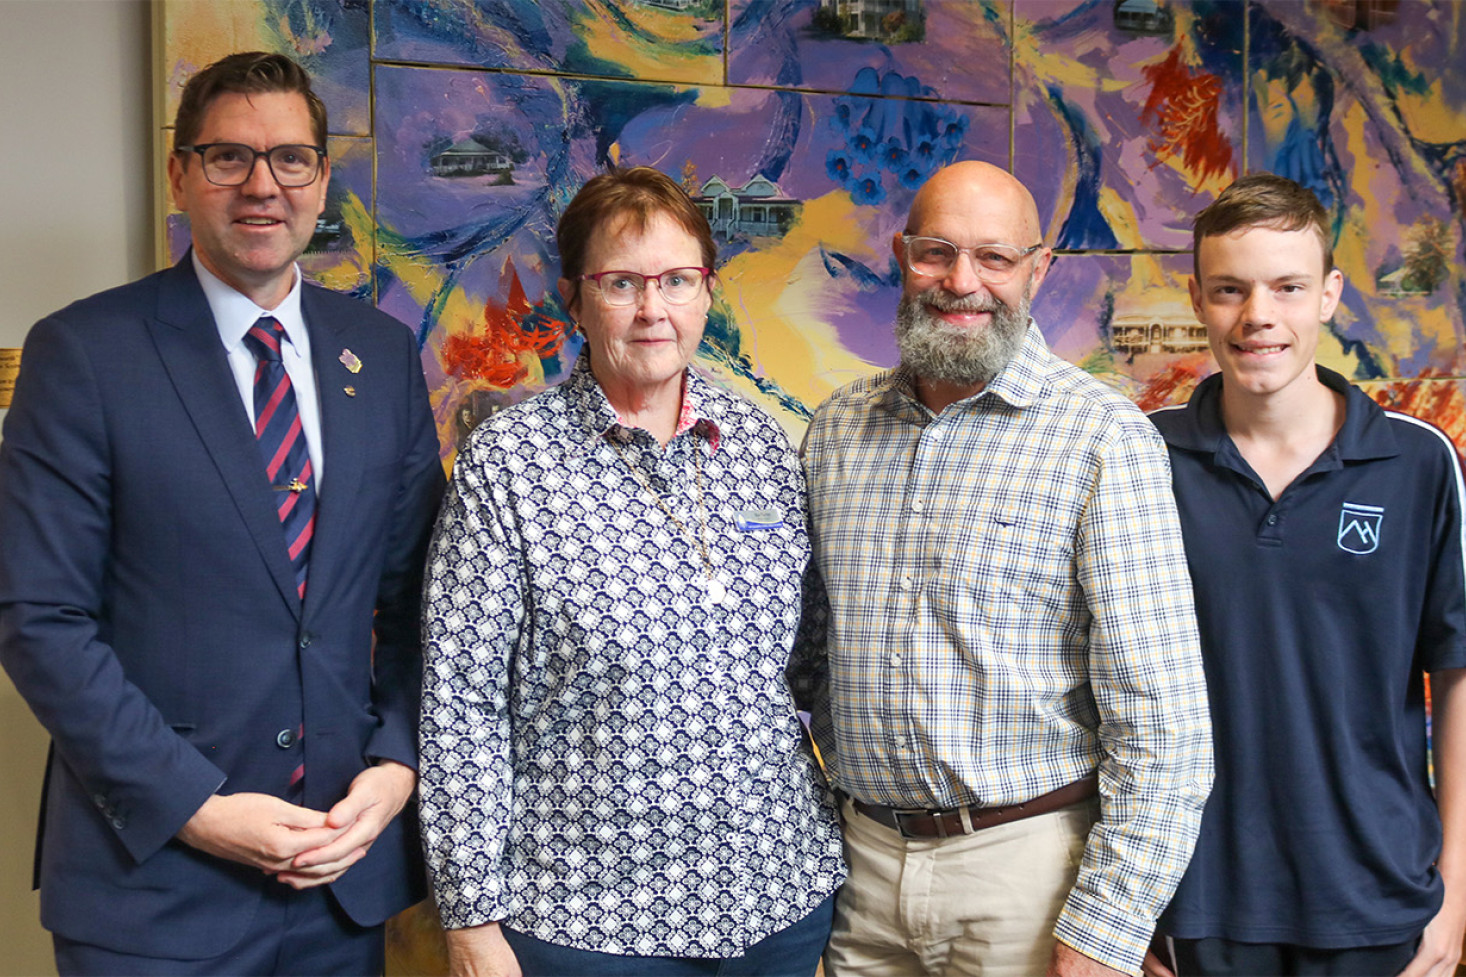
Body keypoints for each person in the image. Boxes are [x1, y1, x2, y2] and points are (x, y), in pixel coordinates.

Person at [0, 52, 445, 974]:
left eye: (290, 159)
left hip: (341, 875)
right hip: (154, 886)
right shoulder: (84, 353)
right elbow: (39, 617)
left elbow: (420, 602)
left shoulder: (384, 355)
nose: (262, 186)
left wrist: (396, 765)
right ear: (180, 174)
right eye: (227, 157)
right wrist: (195, 805)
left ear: (322, 179)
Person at [418, 165, 845, 977]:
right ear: (575, 301)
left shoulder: (760, 447)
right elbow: (459, 704)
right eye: (622, 282)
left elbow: (810, 664)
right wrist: (470, 918)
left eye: (677, 280)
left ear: (706, 294)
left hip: (778, 903)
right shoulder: (509, 466)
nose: (654, 309)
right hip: (591, 923)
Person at [794, 159, 1214, 977]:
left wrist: (1106, 927)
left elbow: (1163, 722)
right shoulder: (837, 429)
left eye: (995, 257)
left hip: (1028, 879)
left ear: (1039, 268)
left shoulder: (1103, 439)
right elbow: (805, 666)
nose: (962, 282)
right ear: (899, 253)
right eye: (936, 252)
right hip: (862, 868)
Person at [1143, 173, 1466, 977]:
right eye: (1230, 289)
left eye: (1287, 287)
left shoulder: (1420, 461)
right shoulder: (1141, 456)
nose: (1259, 316)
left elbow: (1457, 674)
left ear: (1328, 294)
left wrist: (1456, 891)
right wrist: (1125, 898)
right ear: (1197, 297)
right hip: (1197, 896)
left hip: (1378, 892)